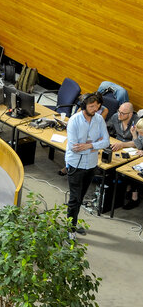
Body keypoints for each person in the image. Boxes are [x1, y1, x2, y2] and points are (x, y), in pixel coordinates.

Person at [65, 92, 110, 237]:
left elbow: (107, 142)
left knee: (81, 197)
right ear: (85, 106)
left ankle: (73, 223)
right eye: (92, 106)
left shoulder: (99, 120)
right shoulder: (74, 120)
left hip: (91, 164)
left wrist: (89, 145)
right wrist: (95, 144)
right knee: (74, 198)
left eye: (97, 106)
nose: (95, 109)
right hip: (75, 164)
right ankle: (70, 230)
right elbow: (74, 147)